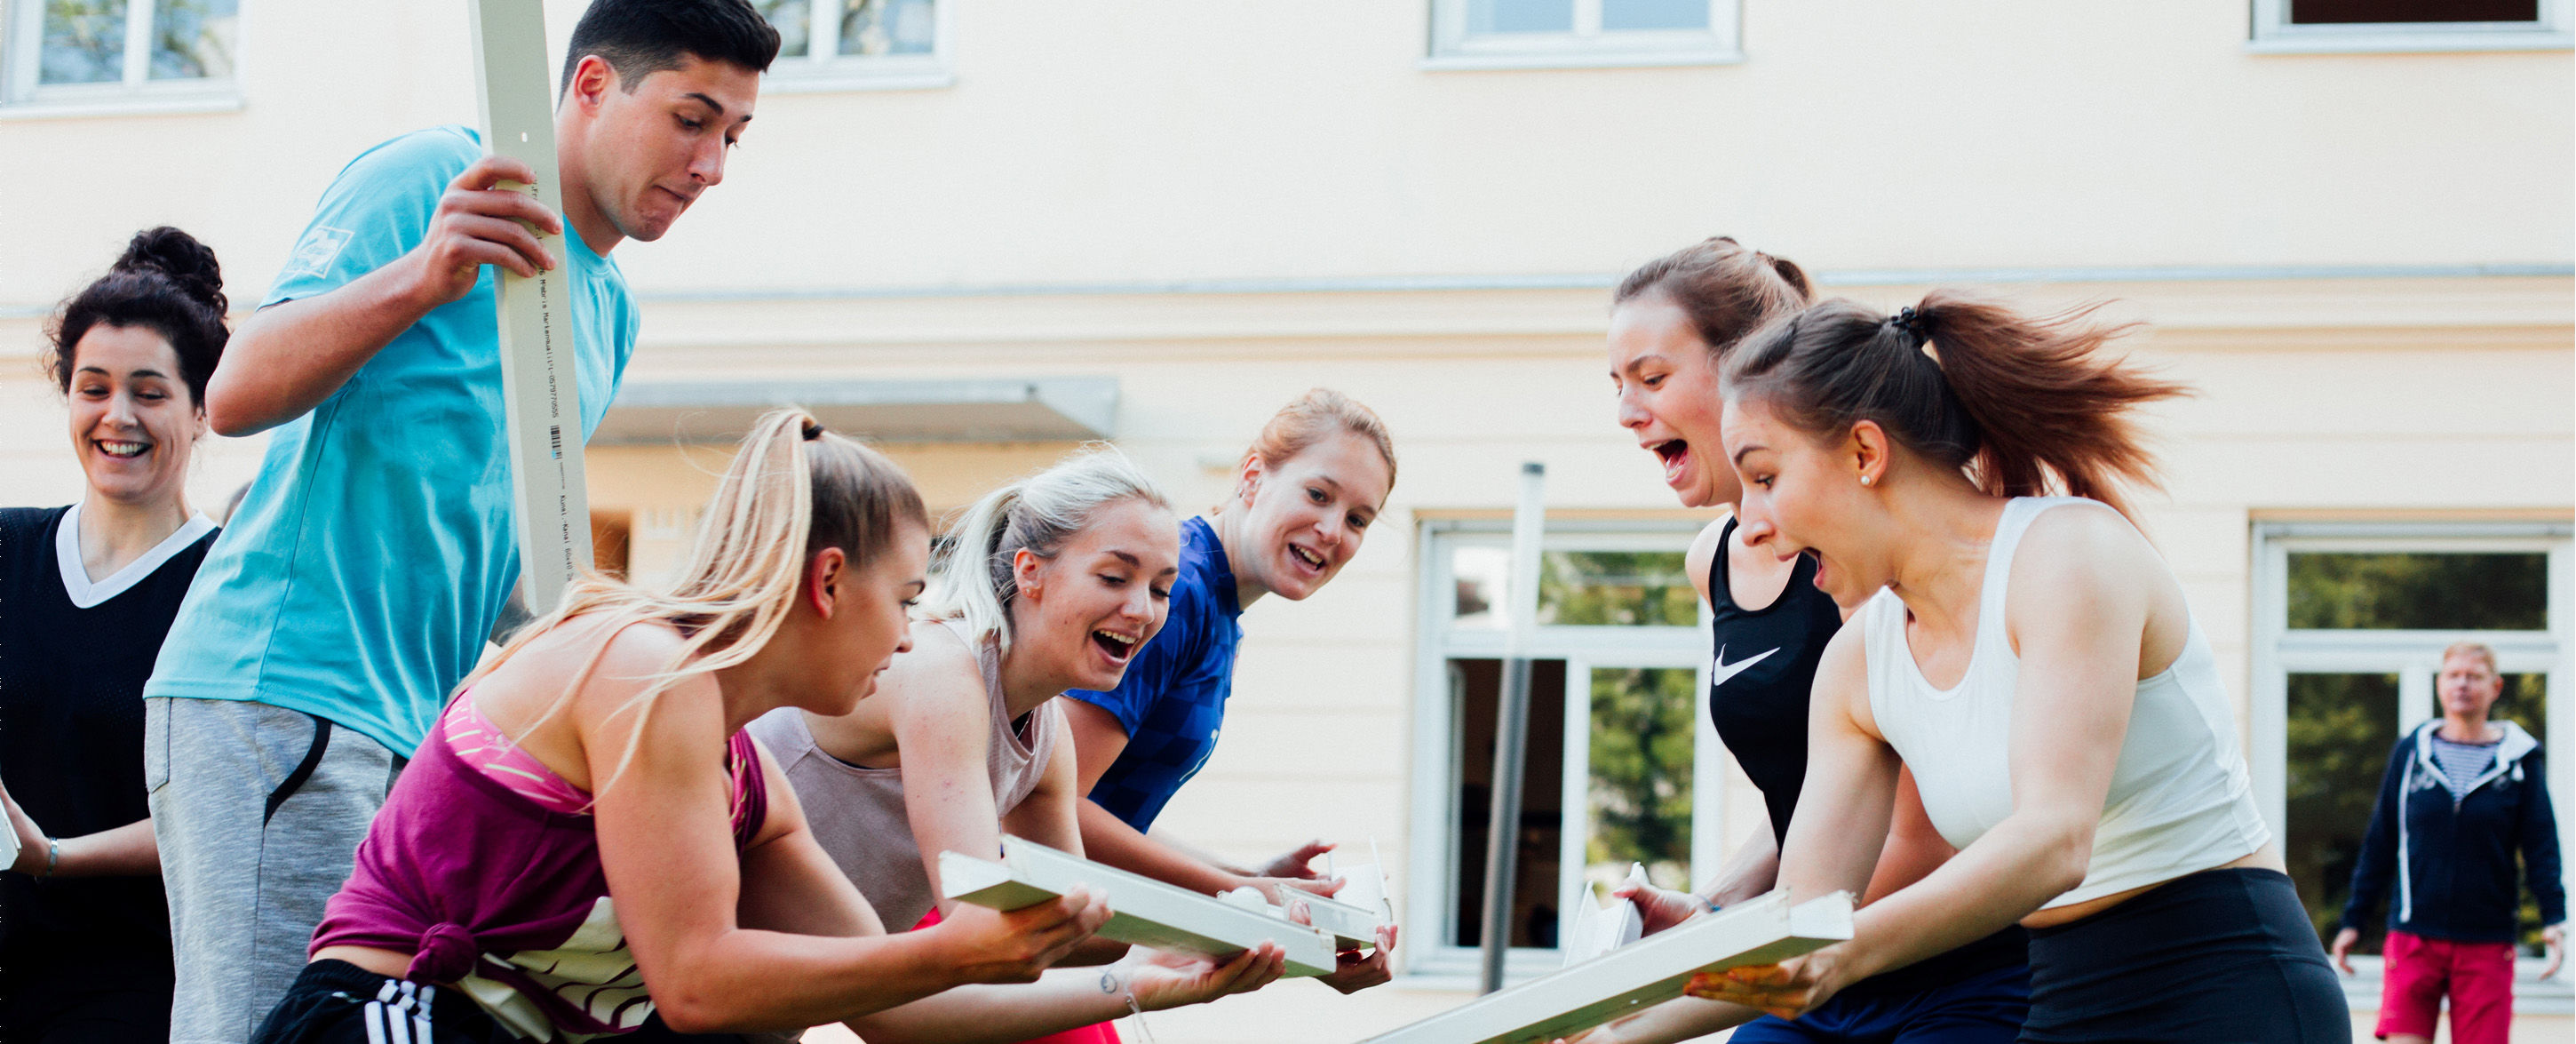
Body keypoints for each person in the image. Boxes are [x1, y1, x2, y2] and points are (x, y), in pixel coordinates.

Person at [139, 4, 781, 1040]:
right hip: (281, 685)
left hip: (433, 737)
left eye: (733, 137)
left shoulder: (608, 306)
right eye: (691, 119)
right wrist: (424, 274)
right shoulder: (440, 174)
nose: (710, 164)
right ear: (590, 87)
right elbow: (236, 391)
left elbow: (516, 560)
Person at [254, 410, 1285, 1044]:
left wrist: (1152, 983)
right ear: (829, 583)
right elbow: (698, 981)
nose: (916, 632)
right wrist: (958, 947)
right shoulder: (649, 672)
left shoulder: (748, 778)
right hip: (388, 1020)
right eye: (908, 594)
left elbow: (905, 1015)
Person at [1689, 295, 2348, 1042]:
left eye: (1765, 476)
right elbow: (1800, 926)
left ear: (1866, 454)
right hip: (2061, 1000)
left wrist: (1847, 952)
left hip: (2227, 989)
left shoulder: (2067, 556)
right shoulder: (1857, 664)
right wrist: (1606, 1023)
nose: (1749, 520)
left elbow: (2055, 837)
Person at [1577, 239, 2031, 1044]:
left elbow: (1911, 839)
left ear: (1742, 368)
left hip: (1945, 967)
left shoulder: (1864, 561)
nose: (1626, 410)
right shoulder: (1710, 561)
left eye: (1651, 378)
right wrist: (1713, 908)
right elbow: (1821, 786)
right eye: (1617, 385)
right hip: (1817, 960)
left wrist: (1714, 955)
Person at [1058, 389, 1402, 991]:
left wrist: (1252, 878)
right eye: (1318, 493)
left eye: (1357, 519)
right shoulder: (1178, 592)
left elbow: (1106, 809)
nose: (1331, 529)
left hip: (1062, 940)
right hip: (1012, 936)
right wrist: (1240, 890)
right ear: (1252, 475)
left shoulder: (1217, 611)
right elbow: (1051, 801)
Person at [0, 227, 230, 1044]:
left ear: (202, 409)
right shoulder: (6, 548)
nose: (117, 416)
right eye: (93, 388)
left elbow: (223, 812)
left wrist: (53, 855)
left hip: (128, 988)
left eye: (149, 391)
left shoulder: (227, 590)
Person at [2332, 641, 2564, 1044]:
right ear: (2440, 684)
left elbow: (2541, 846)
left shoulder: (2521, 761)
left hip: (2487, 942)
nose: (2463, 685)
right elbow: (2382, 841)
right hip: (2413, 937)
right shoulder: (2411, 754)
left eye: (2474, 676)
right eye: (2453, 675)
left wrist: (2553, 920)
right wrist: (2354, 919)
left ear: (2496, 687)